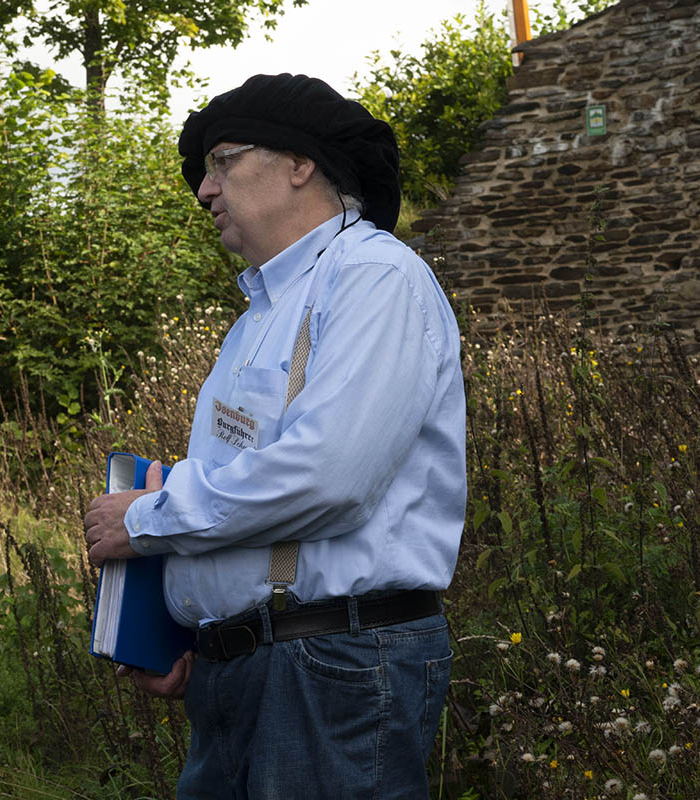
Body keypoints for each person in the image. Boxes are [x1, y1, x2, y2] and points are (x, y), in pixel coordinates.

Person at [83, 73, 466, 799]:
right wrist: (199, 634)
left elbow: (328, 479)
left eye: (223, 160)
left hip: (329, 666)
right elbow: (255, 505)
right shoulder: (261, 314)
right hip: (253, 667)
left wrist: (145, 520)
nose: (205, 189)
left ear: (300, 164)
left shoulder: (376, 279)